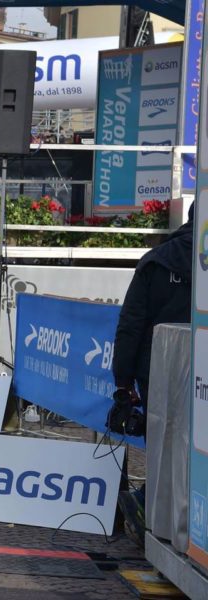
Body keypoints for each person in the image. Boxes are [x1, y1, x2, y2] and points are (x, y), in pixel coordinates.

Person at [111, 204, 194, 547]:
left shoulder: (155, 260)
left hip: (156, 372)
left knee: (163, 445)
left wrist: (123, 381)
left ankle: (150, 507)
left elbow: (131, 325)